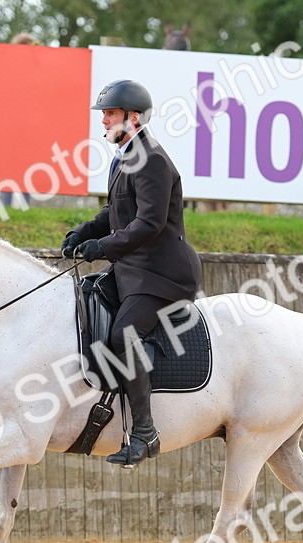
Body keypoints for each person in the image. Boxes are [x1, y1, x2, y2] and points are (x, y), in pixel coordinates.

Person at [62, 80, 203, 468]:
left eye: (109, 114)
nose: (103, 120)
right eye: (104, 114)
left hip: (164, 275)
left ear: (133, 117)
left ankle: (145, 434)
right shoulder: (124, 157)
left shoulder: (152, 157)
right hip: (132, 269)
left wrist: (102, 248)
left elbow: (149, 223)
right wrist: (85, 232)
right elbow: (116, 213)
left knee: (123, 334)